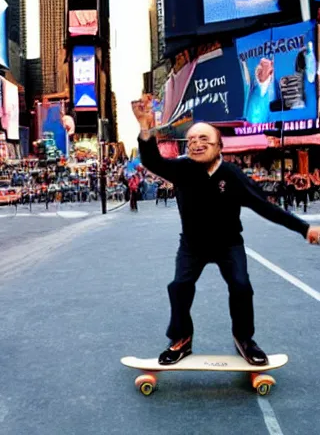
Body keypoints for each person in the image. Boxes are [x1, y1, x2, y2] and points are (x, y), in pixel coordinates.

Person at [131, 98, 320, 366]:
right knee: (179, 286)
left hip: (228, 244)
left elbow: (265, 207)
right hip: (192, 246)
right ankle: (182, 339)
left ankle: (244, 339)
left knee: (241, 286)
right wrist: (144, 126)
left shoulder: (231, 175)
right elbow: (151, 159)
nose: (196, 143)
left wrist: (304, 229)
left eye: (204, 138)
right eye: (192, 139)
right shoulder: (182, 169)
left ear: (219, 146)